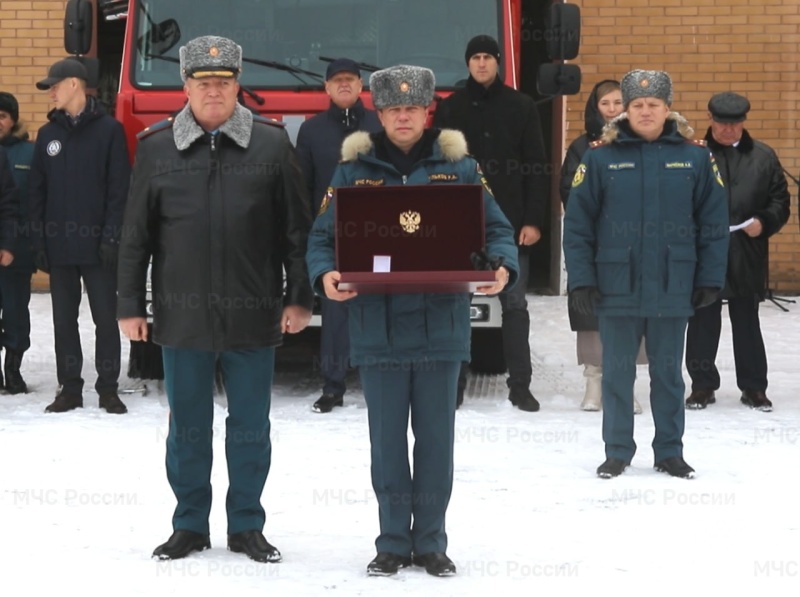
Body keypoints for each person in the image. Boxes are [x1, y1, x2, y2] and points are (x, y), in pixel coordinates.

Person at [306, 64, 519, 577]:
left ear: (428, 112)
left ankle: (431, 543)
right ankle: (391, 543)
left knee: (436, 445)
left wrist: (504, 267)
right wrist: (325, 274)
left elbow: (497, 229)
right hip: (376, 331)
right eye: (393, 109)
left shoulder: (461, 167)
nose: (403, 117)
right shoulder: (353, 170)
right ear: (378, 113)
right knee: (386, 446)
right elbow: (320, 238)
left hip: (441, 329)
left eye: (412, 109)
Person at [117, 36, 313, 563]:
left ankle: (247, 524)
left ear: (237, 86)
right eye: (203, 83)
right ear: (185, 87)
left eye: (222, 83)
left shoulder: (271, 145)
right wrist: (131, 304)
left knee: (250, 426)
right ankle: (189, 524)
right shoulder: (158, 147)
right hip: (183, 316)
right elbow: (135, 234)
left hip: (254, 313)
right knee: (188, 426)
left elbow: (297, 231)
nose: (212, 92)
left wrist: (299, 297)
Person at [563, 69, 729, 480]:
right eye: (637, 105)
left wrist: (710, 277)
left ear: (667, 108)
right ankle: (617, 450)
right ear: (625, 111)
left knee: (669, 374)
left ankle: (670, 451)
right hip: (616, 283)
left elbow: (713, 222)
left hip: (675, 283)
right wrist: (581, 279)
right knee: (617, 372)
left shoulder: (695, 157)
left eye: (653, 104)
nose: (645, 111)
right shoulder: (600, 157)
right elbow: (579, 224)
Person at [434, 34, 548, 412]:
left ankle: (520, 387)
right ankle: (454, 385)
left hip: (511, 225)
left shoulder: (521, 106)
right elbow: (439, 168)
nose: (482, 63)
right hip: (462, 227)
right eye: (475, 57)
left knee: (514, 306)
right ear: (467, 63)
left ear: (498, 62)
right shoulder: (450, 109)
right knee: (456, 308)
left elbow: (537, 166)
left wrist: (533, 220)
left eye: (488, 57)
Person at [29, 58, 131, 414]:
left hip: (99, 247)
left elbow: (120, 192)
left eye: (54, 85)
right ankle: (70, 388)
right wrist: (39, 242)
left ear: (74, 84)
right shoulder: (48, 135)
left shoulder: (109, 131)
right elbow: (37, 193)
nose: (51, 92)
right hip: (59, 247)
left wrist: (112, 239)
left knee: (105, 320)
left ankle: (108, 389)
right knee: (63, 321)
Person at [684, 92, 790, 412]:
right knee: (703, 318)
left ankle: (754, 386)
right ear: (710, 119)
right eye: (721, 123)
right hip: (705, 249)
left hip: (746, 248)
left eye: (735, 124)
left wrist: (764, 221)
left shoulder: (763, 156)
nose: (728, 130)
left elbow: (779, 200)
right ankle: (702, 385)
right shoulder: (693, 155)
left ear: (744, 122)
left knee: (747, 319)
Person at [295, 58, 381, 413]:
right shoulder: (312, 131)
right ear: (327, 88)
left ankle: (380, 381)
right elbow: (302, 185)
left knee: (379, 308)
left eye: (351, 80)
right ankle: (333, 386)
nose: (344, 85)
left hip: (380, 232)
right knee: (335, 311)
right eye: (337, 81)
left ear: (362, 87)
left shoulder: (381, 125)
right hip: (331, 234)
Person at [560, 80, 645, 414]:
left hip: (632, 241)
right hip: (594, 241)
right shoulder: (582, 146)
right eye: (605, 103)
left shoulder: (640, 143)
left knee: (631, 310)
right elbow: (568, 188)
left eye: (618, 103)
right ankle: (594, 379)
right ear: (595, 107)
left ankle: (626, 383)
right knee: (591, 310)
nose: (612, 109)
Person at [0, 92, 34, 394]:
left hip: (17, 251)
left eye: (2, 116)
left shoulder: (29, 153)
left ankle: (13, 370)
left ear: (13, 120)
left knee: (15, 313)